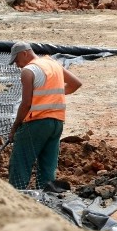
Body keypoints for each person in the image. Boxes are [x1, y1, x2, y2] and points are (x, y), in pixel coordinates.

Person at [7, 42, 83, 190]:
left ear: (25, 53)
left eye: (16, 60)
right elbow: (76, 83)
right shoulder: (52, 63)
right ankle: (48, 202)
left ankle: (16, 201)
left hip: (37, 123)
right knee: (47, 168)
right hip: (57, 124)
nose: (17, 65)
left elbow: (26, 104)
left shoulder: (28, 71)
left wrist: (15, 127)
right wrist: (54, 94)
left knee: (20, 164)